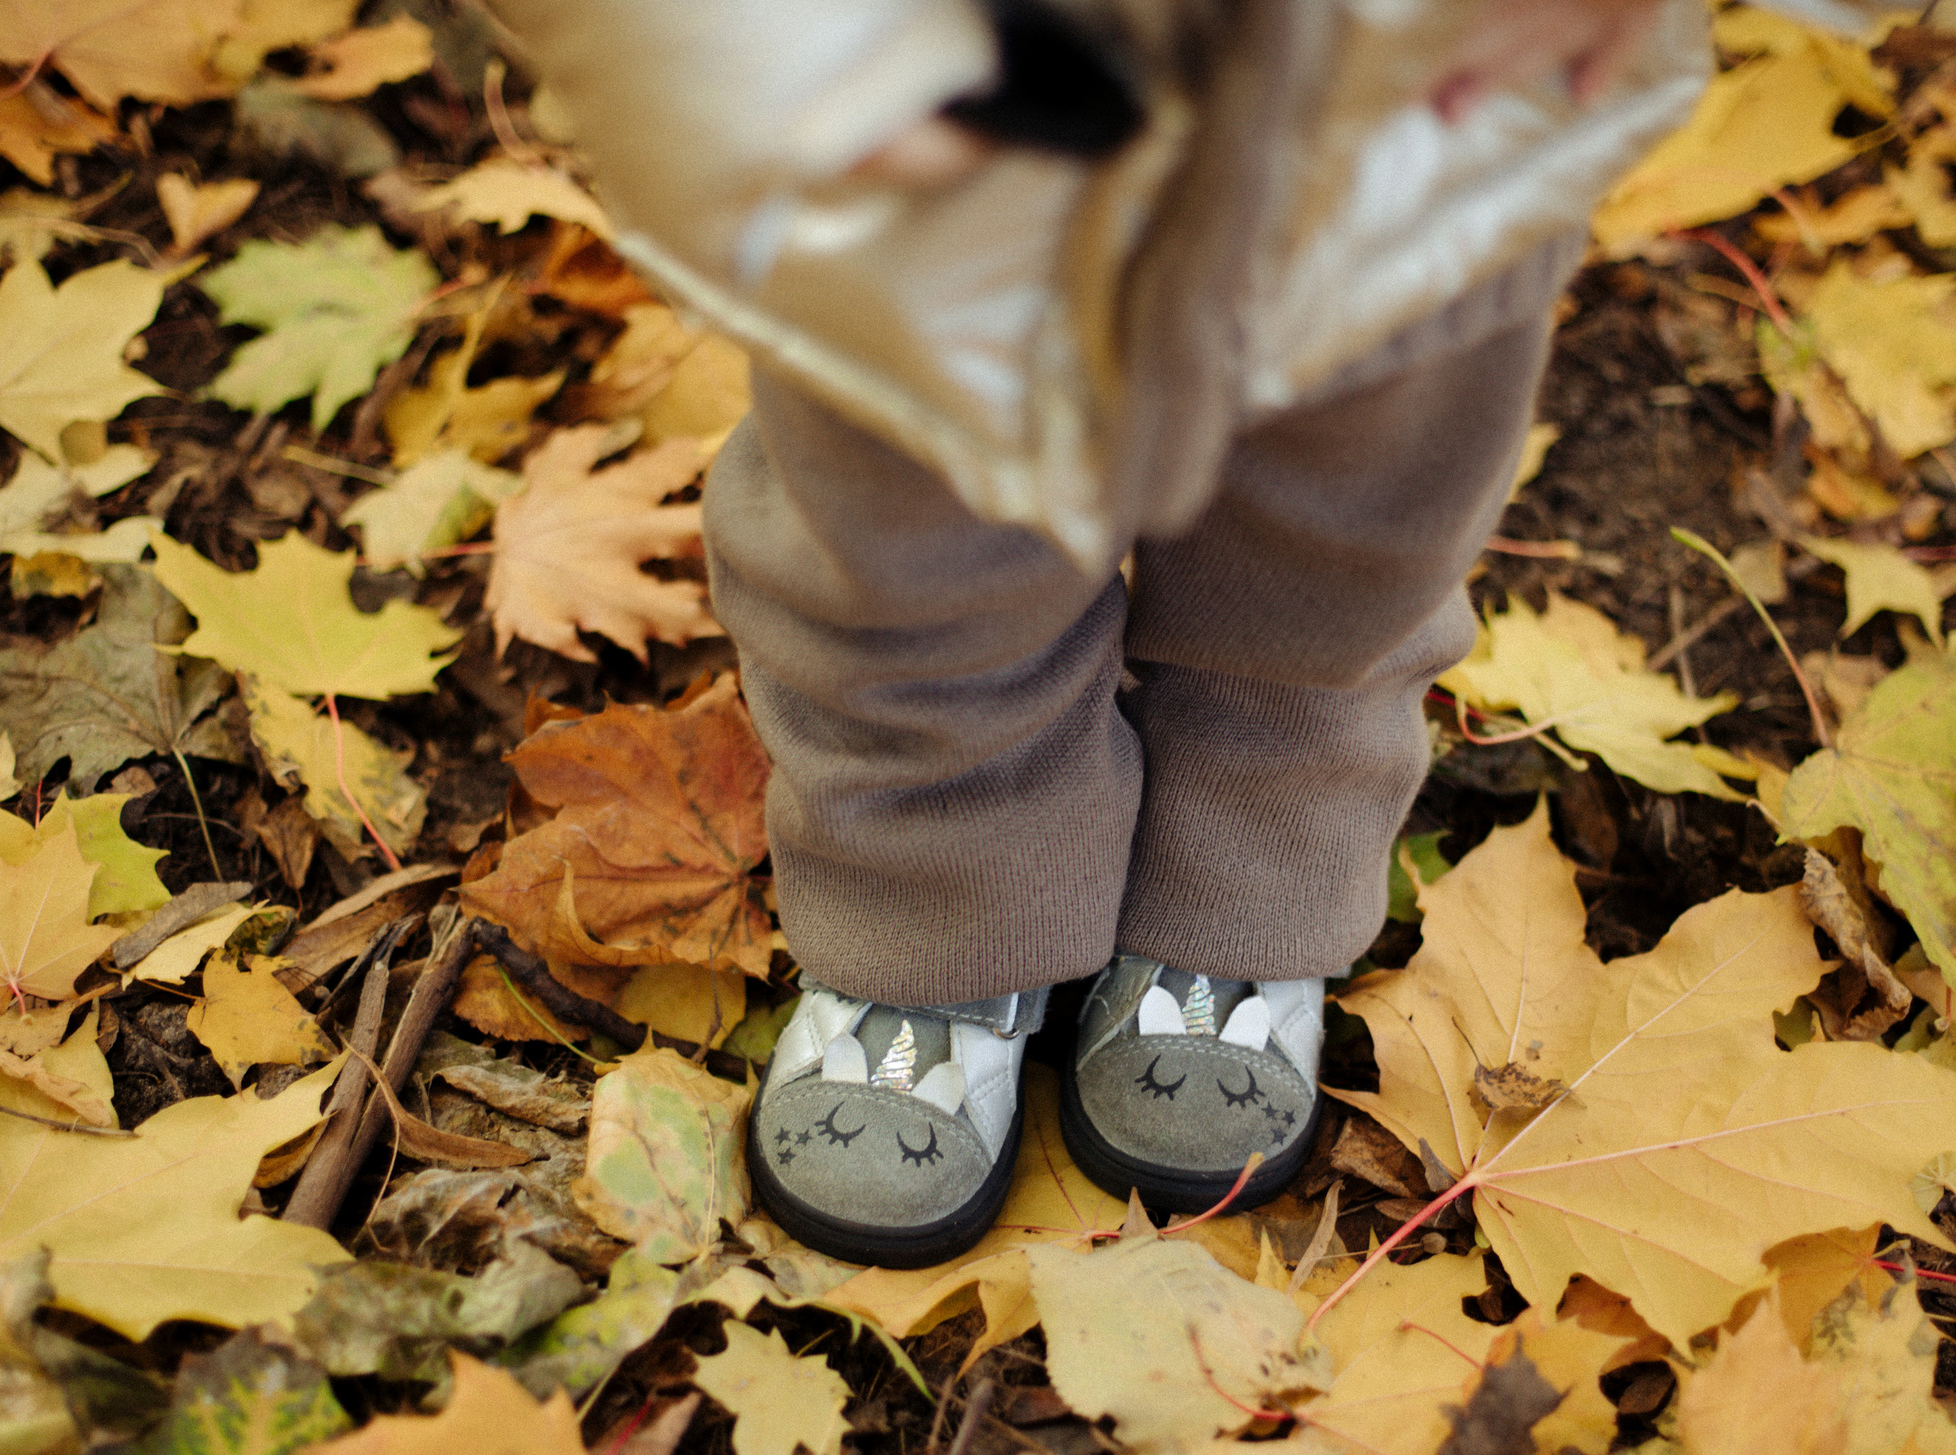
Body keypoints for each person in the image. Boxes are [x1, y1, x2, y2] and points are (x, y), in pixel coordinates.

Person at [483, 0, 1858, 1269]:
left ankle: (1256, 858)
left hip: (1423, 69)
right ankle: (934, 889)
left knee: (1364, 478)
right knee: (910, 503)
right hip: (906, 67)